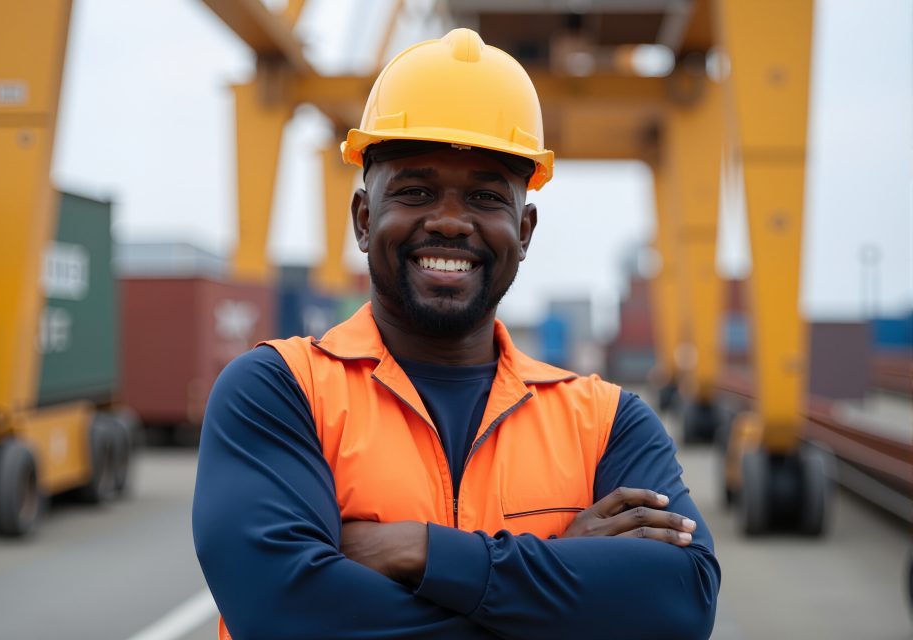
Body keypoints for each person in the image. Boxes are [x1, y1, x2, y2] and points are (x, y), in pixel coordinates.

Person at [193, 28, 720, 640]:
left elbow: (682, 605)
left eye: (484, 197)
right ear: (365, 219)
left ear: (523, 231)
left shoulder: (608, 424)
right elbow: (285, 614)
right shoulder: (280, 392)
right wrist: (565, 586)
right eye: (415, 191)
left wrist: (422, 551)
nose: (449, 220)